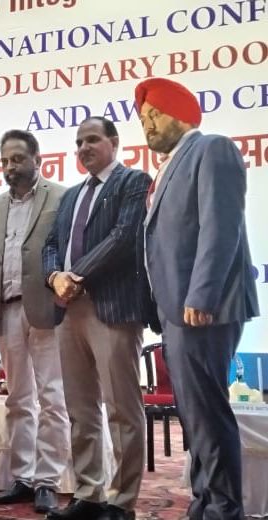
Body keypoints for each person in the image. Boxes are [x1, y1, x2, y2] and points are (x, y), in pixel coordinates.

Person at [136, 77, 258, 520]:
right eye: (144, 119)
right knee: (195, 416)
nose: (148, 125)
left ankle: (224, 509)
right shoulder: (168, 166)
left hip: (202, 308)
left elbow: (221, 227)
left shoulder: (211, 149)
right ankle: (205, 502)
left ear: (183, 115)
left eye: (155, 115)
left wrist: (202, 294)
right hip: (175, 309)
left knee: (208, 413)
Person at [44, 117, 151, 520]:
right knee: (81, 408)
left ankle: (121, 501)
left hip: (112, 308)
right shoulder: (71, 195)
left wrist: (76, 275)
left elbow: (123, 237)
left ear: (114, 142)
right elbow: (51, 244)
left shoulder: (133, 181)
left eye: (92, 139)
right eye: (78, 142)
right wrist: (55, 277)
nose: (83, 148)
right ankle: (89, 494)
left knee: (121, 408)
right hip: (68, 309)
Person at [0, 129, 69, 514]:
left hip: (48, 309)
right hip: (8, 309)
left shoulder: (61, 197)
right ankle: (23, 477)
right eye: (5, 160)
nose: (10, 167)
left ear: (37, 159)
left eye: (17, 159)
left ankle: (47, 480)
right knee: (18, 398)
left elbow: (66, 250)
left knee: (52, 397)